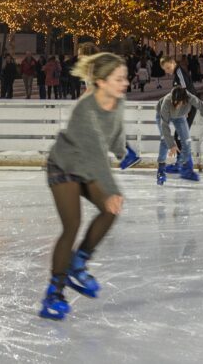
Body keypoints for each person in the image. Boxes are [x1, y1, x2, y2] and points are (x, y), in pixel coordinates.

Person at [38, 52, 129, 320]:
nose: (125, 83)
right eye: (119, 79)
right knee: (72, 224)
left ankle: (79, 262)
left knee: (111, 210)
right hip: (65, 164)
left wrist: (123, 150)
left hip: (87, 165)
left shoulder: (118, 102)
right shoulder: (85, 109)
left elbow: (113, 134)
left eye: (125, 77)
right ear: (101, 81)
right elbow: (95, 155)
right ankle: (53, 293)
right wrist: (111, 190)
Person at [154, 87, 203, 185]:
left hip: (180, 117)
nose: (177, 105)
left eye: (180, 103)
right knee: (165, 140)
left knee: (187, 141)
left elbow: (201, 107)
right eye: (175, 102)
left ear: (185, 100)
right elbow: (164, 125)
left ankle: (183, 167)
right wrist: (172, 145)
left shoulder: (191, 98)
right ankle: (161, 171)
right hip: (163, 115)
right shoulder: (167, 101)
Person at [161, 55, 199, 175]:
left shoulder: (179, 72)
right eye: (165, 69)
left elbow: (185, 90)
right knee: (180, 134)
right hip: (187, 107)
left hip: (188, 107)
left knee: (180, 134)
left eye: (168, 68)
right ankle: (182, 162)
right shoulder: (178, 72)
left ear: (173, 62)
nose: (167, 71)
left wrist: (186, 109)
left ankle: (182, 164)